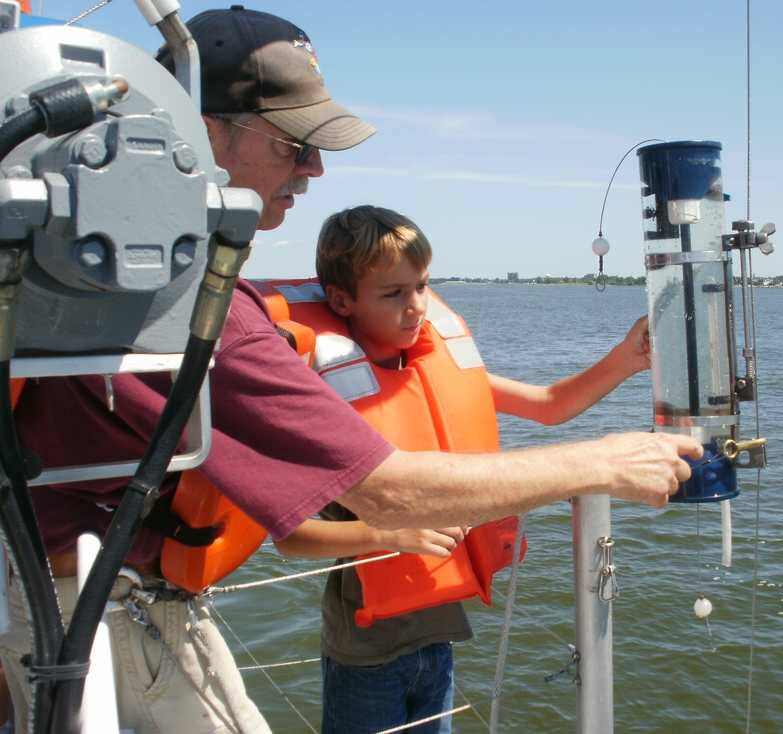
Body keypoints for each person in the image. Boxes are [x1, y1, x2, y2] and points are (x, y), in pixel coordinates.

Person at [0, 6, 700, 734]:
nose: (314, 168)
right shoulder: (183, 306)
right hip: (99, 612)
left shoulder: (88, 276)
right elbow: (389, 494)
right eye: (293, 143)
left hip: (66, 592)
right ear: (206, 132)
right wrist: (610, 463)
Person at [270, 205, 653, 734]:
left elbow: (549, 404)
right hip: (365, 652)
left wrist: (626, 359)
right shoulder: (325, 397)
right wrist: (388, 530)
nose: (416, 307)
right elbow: (289, 534)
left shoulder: (443, 371)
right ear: (340, 301)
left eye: (422, 286)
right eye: (394, 293)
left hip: (439, 639)